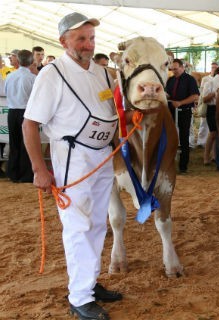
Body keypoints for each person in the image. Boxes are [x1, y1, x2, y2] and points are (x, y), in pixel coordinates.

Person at [22, 12, 123, 320]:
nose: (88, 44)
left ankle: (88, 284)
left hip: (102, 156)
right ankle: (80, 297)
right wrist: (40, 168)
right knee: (78, 225)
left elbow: (114, 109)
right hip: (72, 158)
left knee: (96, 223)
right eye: (80, 38)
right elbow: (30, 124)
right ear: (63, 41)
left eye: (91, 38)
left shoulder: (104, 73)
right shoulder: (52, 73)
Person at [4, 49, 35, 183]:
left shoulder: (10, 76)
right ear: (31, 61)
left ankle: (13, 173)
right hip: (26, 112)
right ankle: (26, 175)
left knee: (14, 142)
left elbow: (5, 92)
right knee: (26, 144)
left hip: (12, 112)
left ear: (18, 60)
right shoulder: (33, 78)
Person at [165, 58, 200, 174]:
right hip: (170, 112)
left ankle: (183, 166)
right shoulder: (170, 80)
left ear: (182, 67)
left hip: (184, 111)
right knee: (169, 137)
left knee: (184, 138)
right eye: (172, 69)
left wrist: (180, 102)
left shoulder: (190, 80)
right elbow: (168, 94)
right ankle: (168, 163)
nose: (174, 71)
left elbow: (195, 96)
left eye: (176, 69)